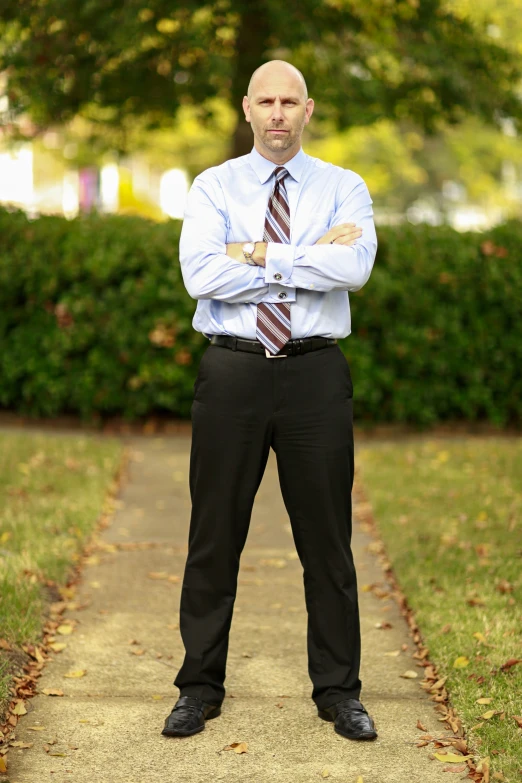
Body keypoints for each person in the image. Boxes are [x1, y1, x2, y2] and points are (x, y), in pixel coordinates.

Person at [162, 59, 378, 742]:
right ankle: (198, 686)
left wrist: (254, 254)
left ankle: (340, 690)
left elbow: (355, 267)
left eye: (291, 102)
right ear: (248, 108)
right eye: (267, 102)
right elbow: (201, 272)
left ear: (308, 110)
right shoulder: (212, 185)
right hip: (233, 375)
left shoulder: (345, 186)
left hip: (316, 376)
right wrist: (305, 253)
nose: (279, 114)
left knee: (329, 543)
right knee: (213, 536)